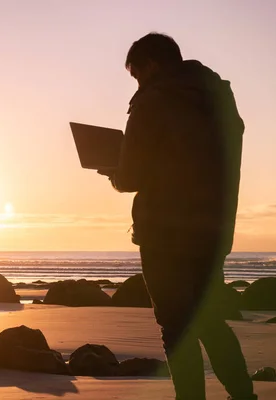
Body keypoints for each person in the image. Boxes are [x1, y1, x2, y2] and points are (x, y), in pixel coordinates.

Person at [99, 33, 257, 400]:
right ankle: (245, 397)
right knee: (208, 321)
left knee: (175, 326)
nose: (138, 82)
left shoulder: (153, 100)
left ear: (152, 65)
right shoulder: (218, 95)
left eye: (137, 74)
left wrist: (114, 171)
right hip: (213, 229)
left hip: (164, 232)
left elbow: (134, 175)